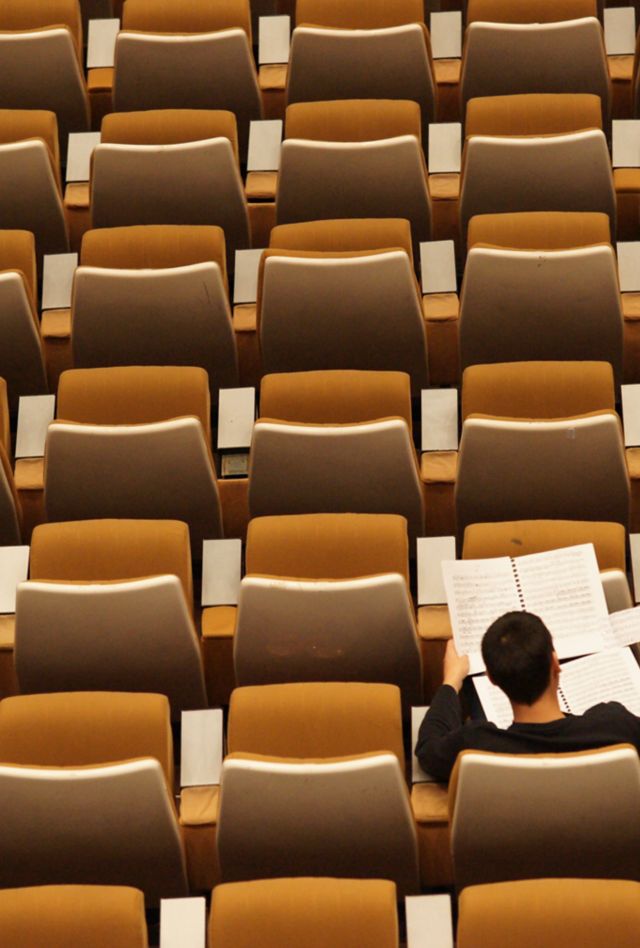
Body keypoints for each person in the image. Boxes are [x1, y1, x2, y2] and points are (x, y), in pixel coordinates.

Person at [415, 610, 640, 781]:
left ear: (492, 679)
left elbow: (427, 748)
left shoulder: (477, 747)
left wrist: (451, 681)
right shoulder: (615, 726)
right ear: (555, 663)